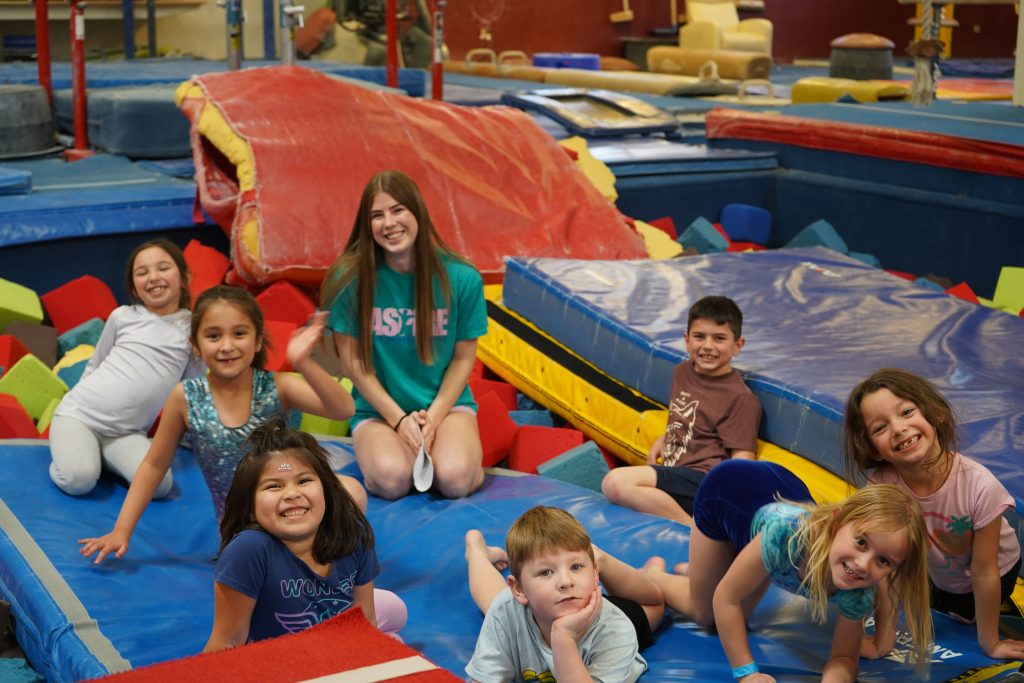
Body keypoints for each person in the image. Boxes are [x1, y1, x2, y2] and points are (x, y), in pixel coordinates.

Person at [79, 285, 364, 563]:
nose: (227, 346)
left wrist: (303, 362)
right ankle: (296, 562)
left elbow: (343, 408)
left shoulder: (277, 386)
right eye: (213, 336)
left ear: (257, 340)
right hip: (244, 529)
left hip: (287, 505)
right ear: (196, 345)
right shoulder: (185, 397)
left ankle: (316, 565)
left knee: (351, 490)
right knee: (262, 546)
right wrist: (122, 530)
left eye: (239, 333)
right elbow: (154, 466)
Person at [642, 459, 932, 682]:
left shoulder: (861, 587)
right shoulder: (786, 538)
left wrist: (837, 675)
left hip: (777, 495)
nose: (862, 564)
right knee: (706, 613)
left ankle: (707, 569)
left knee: (741, 592)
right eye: (860, 543)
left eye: (883, 561)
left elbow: (844, 657)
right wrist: (747, 673)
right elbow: (726, 599)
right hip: (728, 491)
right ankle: (657, 575)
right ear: (836, 523)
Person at [321, 170, 488, 500]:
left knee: (455, 480)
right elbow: (353, 362)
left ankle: (460, 459)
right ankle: (398, 456)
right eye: (377, 215)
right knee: (392, 480)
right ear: (366, 224)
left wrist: (434, 418)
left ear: (418, 213)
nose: (389, 223)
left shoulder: (462, 277)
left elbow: (462, 358)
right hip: (378, 411)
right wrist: (398, 420)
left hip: (445, 406)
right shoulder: (349, 279)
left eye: (398, 210)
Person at [844, 368, 1024, 660]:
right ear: (873, 449)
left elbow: (984, 571)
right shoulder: (883, 486)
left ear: (936, 413)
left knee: (964, 619)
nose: (898, 428)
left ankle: (996, 617)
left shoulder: (979, 486)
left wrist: (991, 643)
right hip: (937, 567)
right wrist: (882, 640)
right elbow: (886, 568)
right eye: (880, 428)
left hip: (995, 569)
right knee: (927, 604)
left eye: (906, 412)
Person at [203, 418, 406, 651]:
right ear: (250, 508)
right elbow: (226, 642)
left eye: (304, 480)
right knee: (395, 635)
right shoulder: (249, 550)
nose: (292, 493)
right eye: (273, 486)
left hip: (333, 639)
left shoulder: (351, 535)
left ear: (327, 491)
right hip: (285, 659)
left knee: (397, 611)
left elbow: (365, 622)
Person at [49, 238, 203, 497]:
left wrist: (194, 438)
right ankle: (80, 454)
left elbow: (192, 389)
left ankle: (98, 456)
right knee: (78, 481)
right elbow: (96, 364)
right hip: (80, 415)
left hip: (125, 433)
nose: (153, 277)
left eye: (163, 268)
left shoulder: (193, 329)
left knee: (159, 486)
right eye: (142, 273)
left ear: (184, 277)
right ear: (134, 287)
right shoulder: (123, 316)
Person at [602, 295, 760, 526]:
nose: (708, 346)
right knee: (621, 492)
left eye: (719, 338)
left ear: (738, 345)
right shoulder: (682, 372)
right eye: (699, 336)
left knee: (614, 483)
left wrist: (727, 506)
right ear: (687, 340)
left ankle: (692, 528)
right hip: (676, 473)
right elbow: (691, 417)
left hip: (704, 481)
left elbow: (743, 463)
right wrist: (665, 437)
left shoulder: (740, 397)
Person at [464, 506, 649, 683]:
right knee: (496, 604)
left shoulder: (616, 630)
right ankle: (476, 551)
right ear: (519, 589)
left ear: (595, 574)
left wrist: (563, 637)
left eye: (576, 566)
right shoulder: (507, 609)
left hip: (605, 606)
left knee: (654, 603)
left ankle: (645, 568)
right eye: (545, 572)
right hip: (552, 601)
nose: (565, 581)